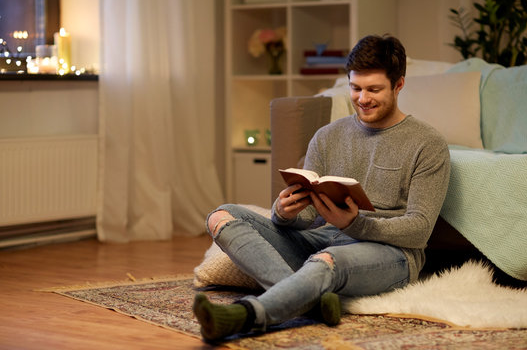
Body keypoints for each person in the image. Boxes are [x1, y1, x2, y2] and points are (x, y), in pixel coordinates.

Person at [193, 34, 451, 342]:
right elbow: (310, 216)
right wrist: (284, 213)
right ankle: (312, 300)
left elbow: (419, 230)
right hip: (324, 239)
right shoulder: (327, 136)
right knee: (222, 216)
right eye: (355, 88)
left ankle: (245, 316)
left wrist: (356, 224)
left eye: (374, 89)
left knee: (326, 261)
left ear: (399, 85)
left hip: (390, 254)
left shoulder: (428, 143)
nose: (363, 98)